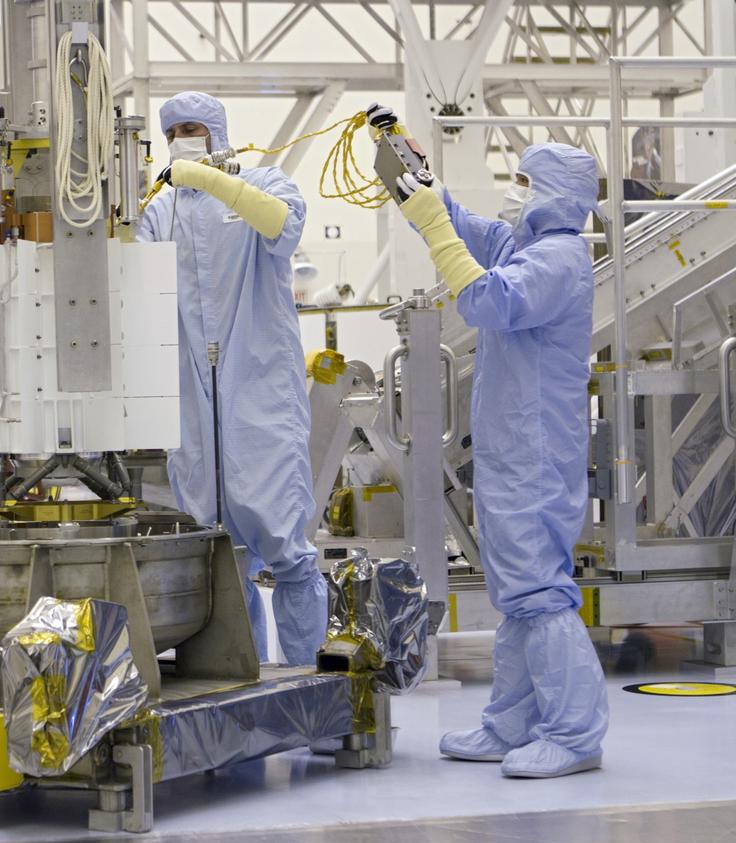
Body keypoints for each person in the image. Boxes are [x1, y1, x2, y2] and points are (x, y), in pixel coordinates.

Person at [370, 105, 610, 778]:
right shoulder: (522, 245)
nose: (515, 193)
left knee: (539, 591)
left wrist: (434, 225)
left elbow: (486, 302)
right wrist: (414, 173)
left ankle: (575, 733)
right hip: (511, 449)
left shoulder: (559, 259)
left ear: (555, 195)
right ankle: (513, 723)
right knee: (516, 595)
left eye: (525, 183)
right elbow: (463, 227)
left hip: (537, 452)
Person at [136, 91, 328, 665]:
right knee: (218, 555)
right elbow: (133, 273)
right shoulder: (160, 211)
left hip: (259, 392)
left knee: (285, 543)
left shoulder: (265, 185)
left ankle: (310, 677)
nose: (182, 141)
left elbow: (283, 226)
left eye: (192, 129)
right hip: (194, 401)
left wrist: (212, 181)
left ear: (217, 132)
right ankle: (239, 676)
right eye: (173, 133)